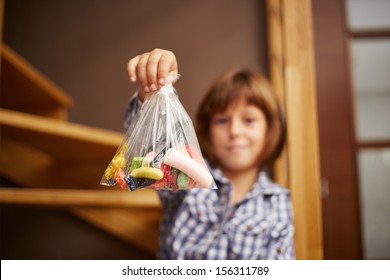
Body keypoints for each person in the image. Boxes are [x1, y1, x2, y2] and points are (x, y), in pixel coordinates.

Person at [125, 48, 295, 259]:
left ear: (270, 130)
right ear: (208, 129)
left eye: (249, 120)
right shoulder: (186, 179)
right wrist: (154, 92)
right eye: (222, 121)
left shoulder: (279, 202)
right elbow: (149, 146)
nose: (234, 131)